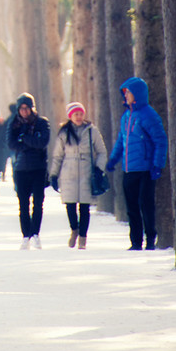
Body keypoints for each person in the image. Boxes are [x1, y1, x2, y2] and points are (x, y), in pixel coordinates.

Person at [106, 76, 168, 251]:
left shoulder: (149, 115)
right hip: (129, 169)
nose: (126, 96)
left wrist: (157, 165)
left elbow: (160, 140)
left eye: (129, 93)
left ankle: (150, 239)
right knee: (131, 206)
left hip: (146, 169)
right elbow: (121, 141)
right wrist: (113, 159)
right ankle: (135, 241)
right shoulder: (126, 116)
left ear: (138, 94)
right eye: (125, 93)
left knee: (145, 204)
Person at [49, 101, 108, 249]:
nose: (79, 116)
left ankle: (83, 237)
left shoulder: (91, 131)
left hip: (87, 172)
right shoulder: (64, 132)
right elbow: (57, 156)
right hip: (68, 173)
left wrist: (99, 168)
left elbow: (101, 151)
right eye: (76, 114)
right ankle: (74, 229)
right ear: (70, 116)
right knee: (70, 206)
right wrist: (53, 175)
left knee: (84, 207)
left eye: (81, 113)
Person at [6, 92, 50, 249]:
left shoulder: (42, 123)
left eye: (27, 108)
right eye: (21, 109)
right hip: (20, 169)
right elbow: (11, 144)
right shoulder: (13, 124)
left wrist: (24, 139)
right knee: (23, 204)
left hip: (38, 168)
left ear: (32, 108)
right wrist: (30, 142)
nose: (24, 111)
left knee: (38, 203)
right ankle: (26, 235)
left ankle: (35, 233)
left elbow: (42, 142)